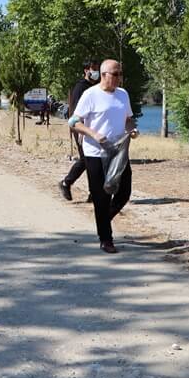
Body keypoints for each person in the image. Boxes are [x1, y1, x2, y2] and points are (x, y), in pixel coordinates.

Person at [68, 59, 138, 254]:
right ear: (104, 74)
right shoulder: (90, 95)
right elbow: (73, 121)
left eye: (120, 74)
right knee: (101, 196)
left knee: (124, 191)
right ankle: (106, 238)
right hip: (95, 153)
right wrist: (94, 134)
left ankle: (103, 219)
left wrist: (132, 130)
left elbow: (128, 119)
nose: (119, 78)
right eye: (116, 74)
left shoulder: (123, 95)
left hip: (118, 151)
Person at [59, 60, 100, 202]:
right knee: (86, 159)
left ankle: (91, 192)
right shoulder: (80, 88)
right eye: (93, 69)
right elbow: (76, 111)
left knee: (90, 160)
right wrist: (81, 130)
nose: (96, 72)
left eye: (97, 69)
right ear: (86, 70)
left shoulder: (94, 87)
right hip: (81, 128)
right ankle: (66, 183)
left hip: (91, 129)